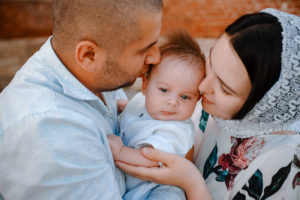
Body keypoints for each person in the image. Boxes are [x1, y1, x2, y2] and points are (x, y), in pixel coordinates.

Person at [0, 0, 186, 199]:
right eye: (144, 49)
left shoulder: (96, 73)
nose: (156, 57)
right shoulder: (52, 135)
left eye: (155, 43)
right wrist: (183, 182)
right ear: (88, 55)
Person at [114, 8, 300, 200]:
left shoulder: (285, 168)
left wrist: (191, 183)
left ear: (261, 106)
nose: (202, 87)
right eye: (210, 65)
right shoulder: (204, 106)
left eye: (225, 88)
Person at [108, 30, 205, 200]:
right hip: (133, 184)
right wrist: (118, 107)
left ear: (197, 99)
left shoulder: (177, 130)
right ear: (145, 85)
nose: (172, 102)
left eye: (185, 97)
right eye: (164, 90)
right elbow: (131, 108)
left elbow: (152, 159)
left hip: (159, 187)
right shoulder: (141, 101)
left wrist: (121, 152)